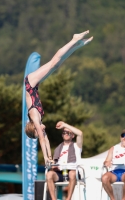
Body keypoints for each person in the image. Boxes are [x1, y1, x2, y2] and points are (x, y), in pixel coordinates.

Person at [25, 30, 93, 164]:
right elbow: (46, 140)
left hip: (30, 84)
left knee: (53, 62)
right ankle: (77, 45)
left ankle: (74, 40)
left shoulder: (34, 117)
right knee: (56, 65)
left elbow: (42, 140)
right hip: (35, 85)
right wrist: (50, 158)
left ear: (34, 129)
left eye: (38, 133)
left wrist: (44, 158)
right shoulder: (39, 122)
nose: (41, 133)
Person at [46, 121, 83, 200]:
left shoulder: (77, 146)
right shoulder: (58, 148)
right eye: (64, 132)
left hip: (73, 173)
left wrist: (65, 125)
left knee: (72, 173)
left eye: (68, 133)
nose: (66, 134)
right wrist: (53, 165)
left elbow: (80, 133)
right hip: (61, 172)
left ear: (73, 135)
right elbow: (54, 163)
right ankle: (53, 199)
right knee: (49, 174)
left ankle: (68, 198)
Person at [102, 129, 125, 200]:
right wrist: (107, 163)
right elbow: (106, 161)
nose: (124, 138)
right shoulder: (114, 148)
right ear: (120, 138)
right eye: (123, 135)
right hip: (114, 172)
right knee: (104, 178)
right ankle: (112, 198)